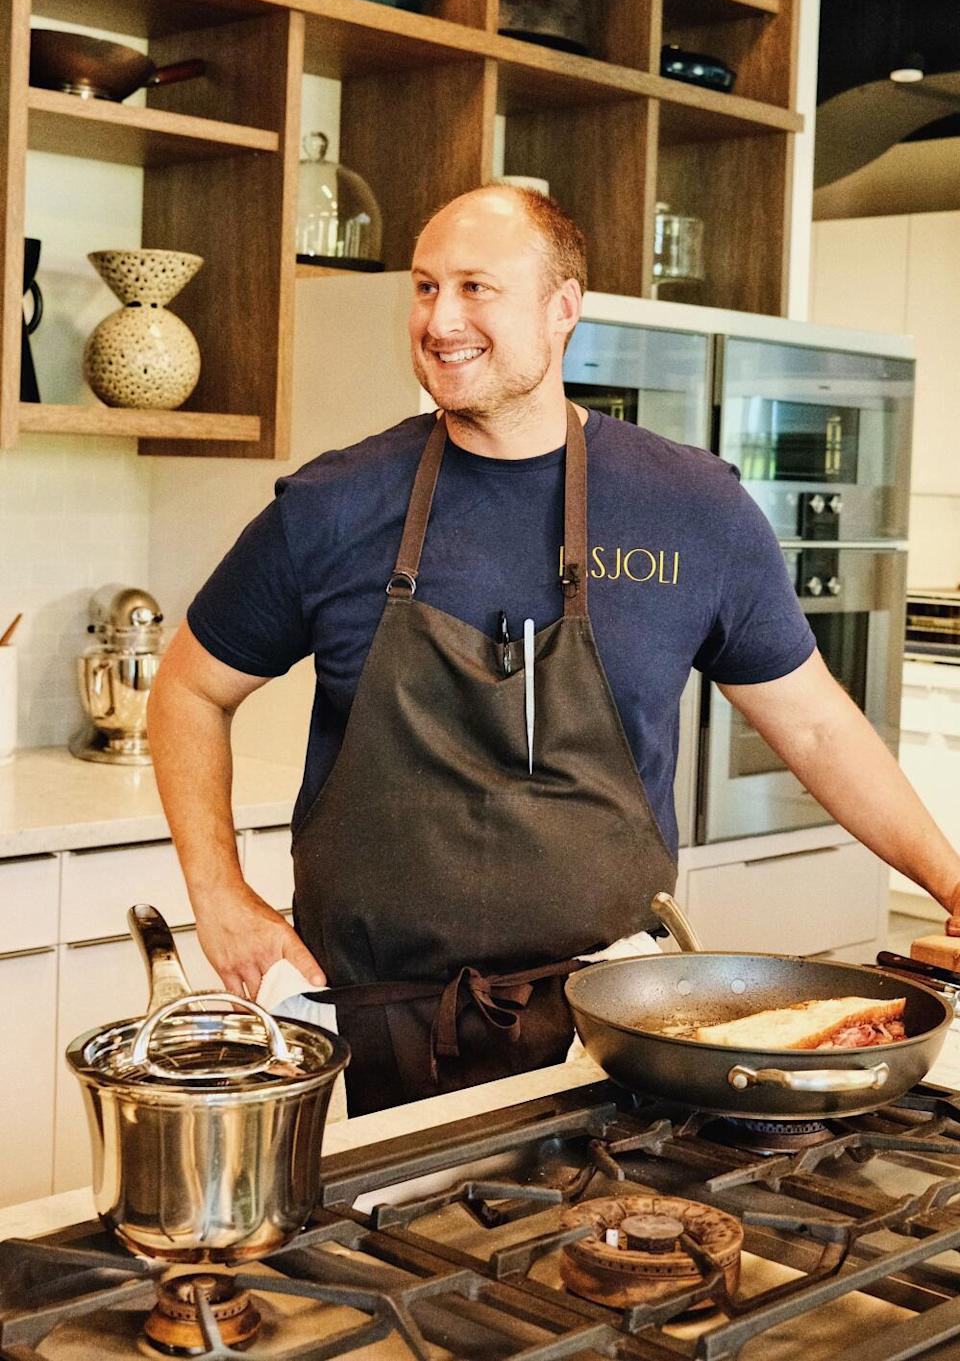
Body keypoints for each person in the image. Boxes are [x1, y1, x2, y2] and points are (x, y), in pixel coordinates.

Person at [148, 184, 960, 1116]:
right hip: (366, 1032)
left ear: (562, 308)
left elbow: (815, 725)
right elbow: (187, 690)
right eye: (423, 287)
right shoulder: (334, 505)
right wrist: (218, 894)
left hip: (619, 1030)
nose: (439, 318)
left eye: (474, 287)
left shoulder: (692, 509)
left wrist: (949, 878)